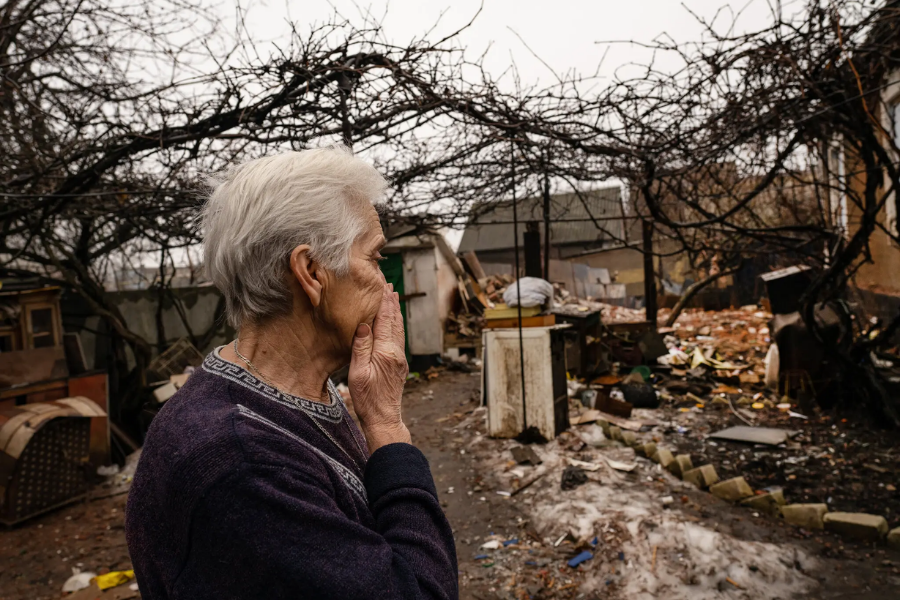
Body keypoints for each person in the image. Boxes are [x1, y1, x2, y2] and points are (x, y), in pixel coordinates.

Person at [125, 147, 458, 600]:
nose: (385, 285)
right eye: (375, 258)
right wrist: (387, 430)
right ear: (311, 272)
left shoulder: (287, 392)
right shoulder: (245, 469)